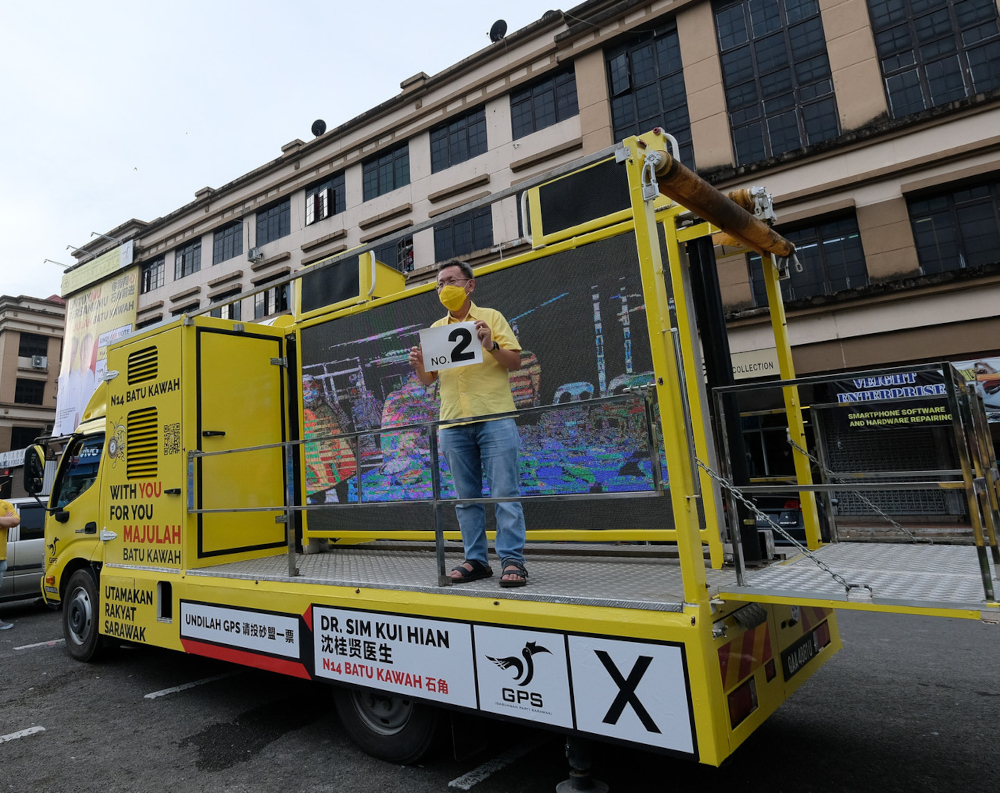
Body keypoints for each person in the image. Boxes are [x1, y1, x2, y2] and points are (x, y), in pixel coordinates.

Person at [408, 259, 528, 587]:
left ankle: (512, 560)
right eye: (439, 284)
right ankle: (476, 560)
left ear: (469, 285)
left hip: (494, 417)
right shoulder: (436, 330)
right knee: (466, 498)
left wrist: (490, 344)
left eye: (450, 281)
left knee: (505, 492)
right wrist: (420, 364)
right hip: (452, 423)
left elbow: (515, 361)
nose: (444, 288)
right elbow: (427, 381)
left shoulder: (491, 318)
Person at [0, 498, 21, 629]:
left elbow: (16, 521)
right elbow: (10, 522)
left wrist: (8, 522)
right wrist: (5, 522)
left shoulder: (6, 504)